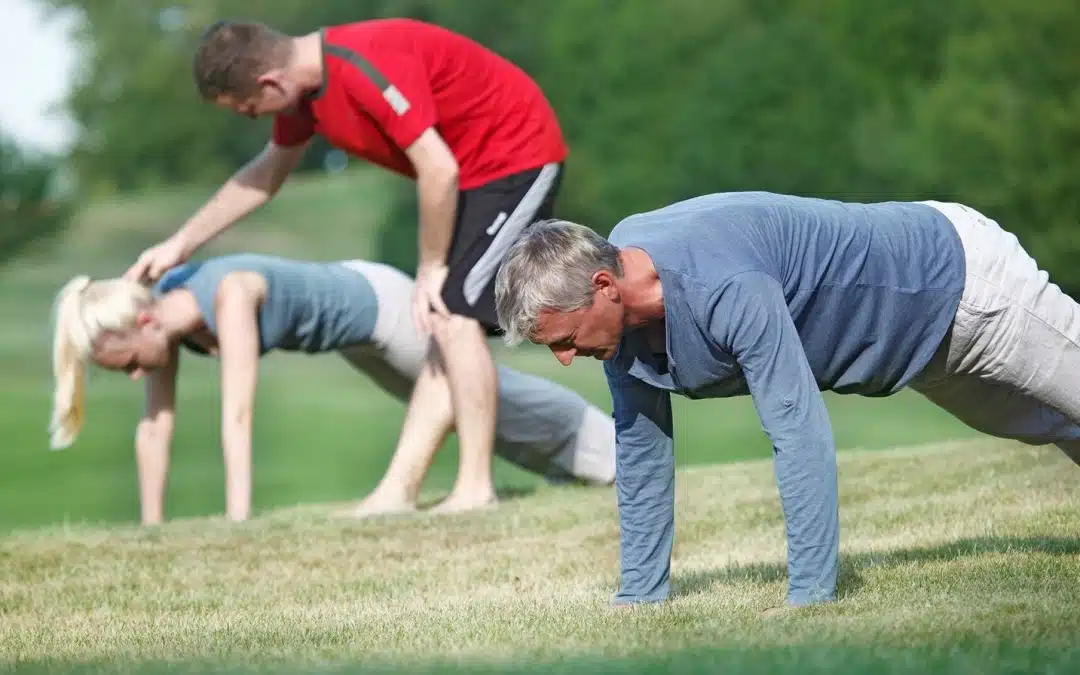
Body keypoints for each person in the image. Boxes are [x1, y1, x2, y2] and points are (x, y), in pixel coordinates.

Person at [492, 191, 1080, 610]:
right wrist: (639, 596)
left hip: (967, 284)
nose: (565, 359)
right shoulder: (618, 321)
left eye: (566, 341)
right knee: (1052, 426)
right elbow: (642, 457)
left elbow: (797, 430)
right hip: (919, 348)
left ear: (603, 287)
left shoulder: (724, 286)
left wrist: (810, 596)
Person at [123, 18, 570, 513]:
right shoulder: (304, 98)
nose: (254, 119)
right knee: (446, 317)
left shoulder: (361, 66)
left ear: (271, 83)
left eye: (250, 109)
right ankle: (398, 492)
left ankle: (474, 487)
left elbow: (437, 168)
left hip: (515, 155)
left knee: (455, 311)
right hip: (469, 175)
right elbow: (265, 175)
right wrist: (180, 243)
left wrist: (430, 267)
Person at [49, 253, 615, 526]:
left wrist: (237, 523)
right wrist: (153, 530)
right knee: (473, 408)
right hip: (354, 340)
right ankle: (579, 465)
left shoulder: (228, 296)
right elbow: (155, 427)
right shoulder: (167, 311)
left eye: (125, 363)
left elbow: (239, 413)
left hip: (380, 308)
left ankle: (608, 454)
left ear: (142, 324)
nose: (135, 375)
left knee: (487, 401)